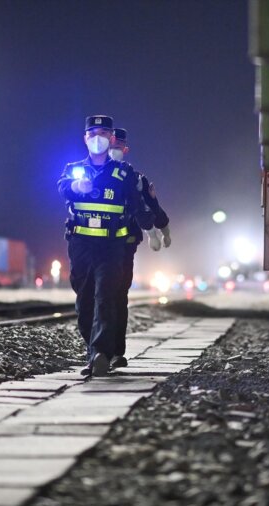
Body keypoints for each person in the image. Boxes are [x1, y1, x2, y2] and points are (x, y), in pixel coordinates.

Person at [57, 115, 154, 378]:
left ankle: (99, 353)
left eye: (103, 133)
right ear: (85, 138)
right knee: (84, 300)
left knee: (106, 297)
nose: (97, 138)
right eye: (92, 133)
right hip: (81, 244)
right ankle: (95, 349)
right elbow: (63, 188)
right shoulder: (73, 168)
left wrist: (153, 226)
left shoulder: (124, 173)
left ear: (112, 138)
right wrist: (77, 186)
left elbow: (136, 203)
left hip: (112, 245)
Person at [108, 127, 171, 370]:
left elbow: (152, 206)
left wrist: (162, 230)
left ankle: (114, 353)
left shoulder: (135, 178)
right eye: (111, 145)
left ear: (125, 150)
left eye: (118, 147)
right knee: (98, 298)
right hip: (96, 245)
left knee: (116, 298)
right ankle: (98, 351)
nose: (114, 150)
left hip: (124, 245)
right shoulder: (91, 173)